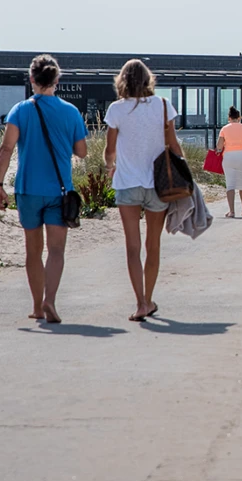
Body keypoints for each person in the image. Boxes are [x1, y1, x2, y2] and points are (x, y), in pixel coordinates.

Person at [0, 54, 87, 324]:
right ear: (57, 80)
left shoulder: (20, 110)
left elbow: (6, 149)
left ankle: (36, 306)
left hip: (28, 189)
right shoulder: (70, 112)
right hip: (59, 189)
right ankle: (50, 300)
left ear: (32, 79)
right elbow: (81, 152)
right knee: (56, 250)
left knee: (32, 251)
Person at [103, 58, 184, 322]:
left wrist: (110, 166)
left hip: (127, 182)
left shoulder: (116, 110)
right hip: (157, 183)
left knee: (132, 246)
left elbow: (110, 150)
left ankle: (139, 303)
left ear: (122, 81)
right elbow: (173, 145)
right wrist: (185, 173)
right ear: (148, 80)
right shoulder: (162, 106)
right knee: (153, 244)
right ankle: (149, 299)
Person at [216, 106, 242, 218]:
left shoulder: (224, 129)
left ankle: (231, 211)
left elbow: (219, 146)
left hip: (228, 156)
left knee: (230, 184)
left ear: (229, 118)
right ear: (239, 117)